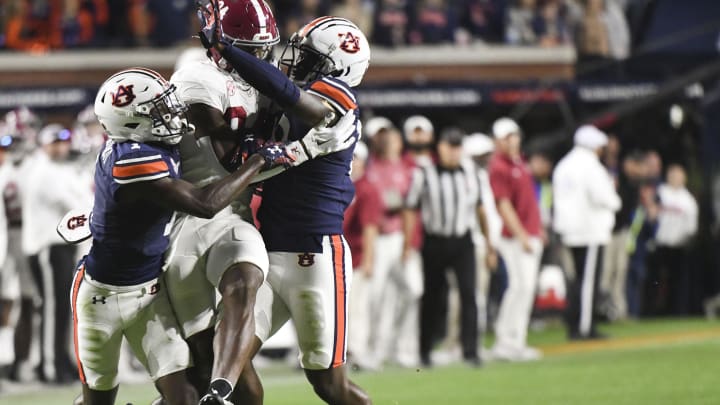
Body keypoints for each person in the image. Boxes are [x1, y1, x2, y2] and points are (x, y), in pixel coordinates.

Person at [71, 67, 307, 405]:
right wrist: (256, 160)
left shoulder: (144, 144)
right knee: (97, 400)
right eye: (158, 110)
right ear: (132, 123)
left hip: (149, 291)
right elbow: (205, 203)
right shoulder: (134, 159)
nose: (172, 113)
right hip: (102, 298)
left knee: (184, 396)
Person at [195, 4, 371, 402]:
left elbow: (288, 94)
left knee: (327, 384)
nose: (293, 59)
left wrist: (229, 50)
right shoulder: (280, 98)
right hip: (267, 247)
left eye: (307, 56)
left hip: (315, 254)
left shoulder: (338, 98)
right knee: (227, 366)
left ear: (335, 69)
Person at [403, 128, 496, 367]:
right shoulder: (424, 173)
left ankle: (471, 351)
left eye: (457, 147)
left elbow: (481, 210)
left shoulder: (472, 174)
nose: (453, 152)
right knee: (432, 296)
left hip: (463, 240)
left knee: (469, 294)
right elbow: (410, 208)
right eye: (449, 146)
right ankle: (425, 351)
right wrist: (407, 243)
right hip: (435, 241)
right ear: (440, 148)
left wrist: (489, 245)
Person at [23, 123, 93, 383]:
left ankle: (60, 361)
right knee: (53, 308)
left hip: (61, 247)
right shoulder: (43, 171)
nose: (60, 146)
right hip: (48, 246)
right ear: (44, 145)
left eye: (63, 142)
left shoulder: (59, 170)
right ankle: (51, 367)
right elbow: (76, 206)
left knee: (62, 308)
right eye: (54, 142)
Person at [553, 125, 621, 340]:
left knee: (577, 279)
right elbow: (603, 196)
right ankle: (584, 327)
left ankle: (575, 323)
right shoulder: (591, 166)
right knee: (588, 280)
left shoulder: (563, 165)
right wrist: (615, 200)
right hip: (590, 230)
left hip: (569, 230)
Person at [487, 117, 543, 361]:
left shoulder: (519, 162)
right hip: (514, 237)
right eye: (506, 137)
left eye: (514, 136)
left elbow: (528, 201)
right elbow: (504, 205)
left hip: (529, 232)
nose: (512, 141)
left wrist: (537, 229)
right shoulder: (499, 166)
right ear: (497, 141)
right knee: (520, 286)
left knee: (524, 288)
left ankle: (515, 340)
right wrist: (522, 235)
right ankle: (507, 340)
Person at [342, 141, 383, 369]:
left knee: (357, 307)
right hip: (336, 257)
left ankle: (357, 351)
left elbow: (370, 227)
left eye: (357, 157)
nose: (353, 161)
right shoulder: (338, 182)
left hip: (355, 257)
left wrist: (368, 259)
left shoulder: (366, 188)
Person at [651, 164, 698, 315]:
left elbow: (692, 226)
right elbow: (651, 214)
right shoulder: (660, 192)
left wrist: (686, 239)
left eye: (678, 176)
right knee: (656, 280)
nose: (675, 178)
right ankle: (654, 311)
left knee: (677, 281)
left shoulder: (688, 198)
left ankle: (677, 311)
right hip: (660, 243)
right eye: (672, 175)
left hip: (679, 245)